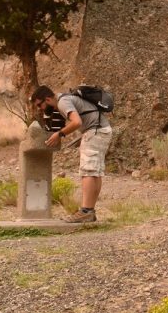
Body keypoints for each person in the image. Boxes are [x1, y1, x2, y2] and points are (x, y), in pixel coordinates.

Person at [30, 85, 113, 223]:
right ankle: (89, 211)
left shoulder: (63, 102)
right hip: (101, 130)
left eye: (40, 104)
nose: (41, 108)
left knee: (88, 171)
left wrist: (60, 134)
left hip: (94, 131)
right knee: (95, 172)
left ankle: (85, 211)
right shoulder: (64, 99)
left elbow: (76, 122)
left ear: (48, 99)